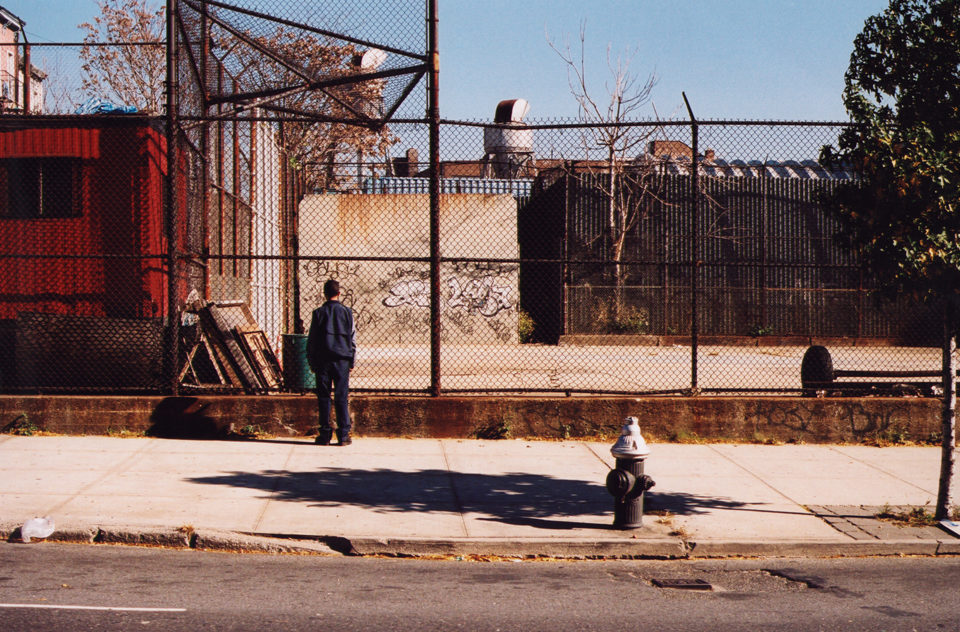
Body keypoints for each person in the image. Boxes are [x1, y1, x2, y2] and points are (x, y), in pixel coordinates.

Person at [306, 279, 356, 446]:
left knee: (324, 397)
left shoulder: (318, 313)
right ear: (339, 293)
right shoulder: (347, 312)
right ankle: (343, 435)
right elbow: (352, 338)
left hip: (323, 359)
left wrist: (311, 360)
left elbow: (312, 339)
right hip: (342, 358)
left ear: (324, 294)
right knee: (341, 396)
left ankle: (325, 434)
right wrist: (352, 360)